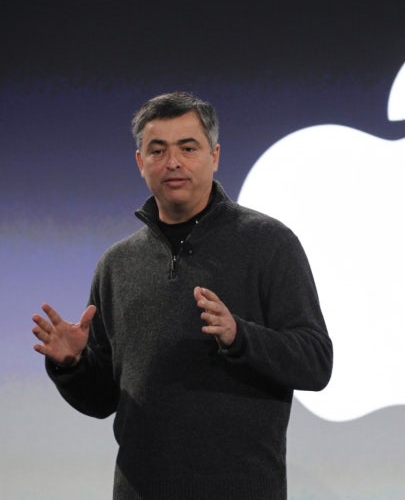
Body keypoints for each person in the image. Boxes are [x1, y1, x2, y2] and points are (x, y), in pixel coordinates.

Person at [30, 91, 333, 499]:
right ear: (140, 162)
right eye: (157, 150)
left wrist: (239, 337)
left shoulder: (269, 244)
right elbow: (102, 400)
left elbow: (316, 362)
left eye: (188, 148)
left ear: (215, 156)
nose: (173, 162)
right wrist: (73, 365)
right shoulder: (117, 264)